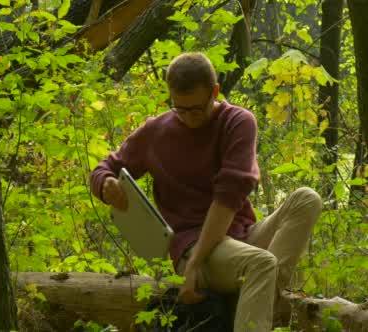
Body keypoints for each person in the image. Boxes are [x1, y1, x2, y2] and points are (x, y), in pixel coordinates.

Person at [89, 52, 322, 331]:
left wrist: (197, 264)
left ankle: (247, 305)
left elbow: (228, 197)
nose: (188, 117)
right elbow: (105, 167)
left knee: (307, 198)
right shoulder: (156, 131)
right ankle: (251, 306)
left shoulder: (238, 121)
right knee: (262, 264)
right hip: (190, 246)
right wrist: (105, 184)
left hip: (238, 238)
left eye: (196, 109)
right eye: (179, 109)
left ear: (215, 91)